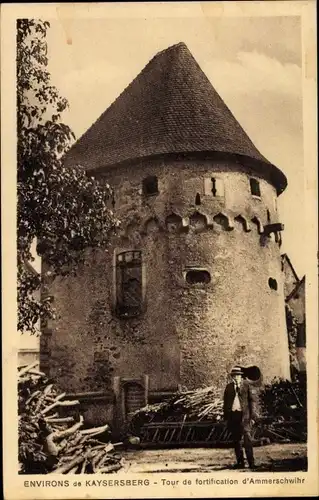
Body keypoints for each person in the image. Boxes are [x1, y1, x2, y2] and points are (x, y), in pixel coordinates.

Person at [223, 365, 258, 469]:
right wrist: (226, 417)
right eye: (234, 376)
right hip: (234, 416)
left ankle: (251, 462)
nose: (236, 378)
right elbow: (225, 403)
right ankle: (240, 463)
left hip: (245, 416)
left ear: (241, 377)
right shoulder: (229, 387)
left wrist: (253, 416)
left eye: (238, 376)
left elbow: (252, 401)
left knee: (248, 440)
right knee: (236, 440)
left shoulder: (246, 385)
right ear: (232, 377)